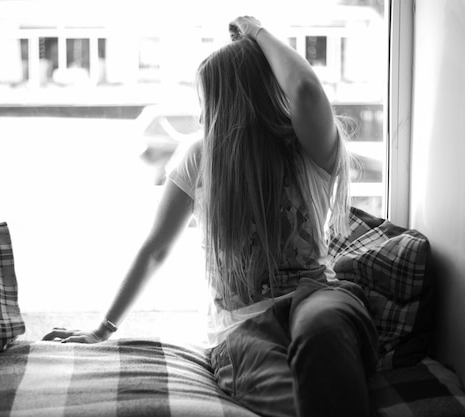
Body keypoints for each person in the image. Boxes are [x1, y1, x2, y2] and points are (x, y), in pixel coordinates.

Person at [44, 16, 379, 417]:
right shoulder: (200, 157)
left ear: (229, 101)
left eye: (205, 100)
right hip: (240, 329)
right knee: (293, 401)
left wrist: (256, 32)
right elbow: (155, 249)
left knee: (323, 332)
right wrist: (103, 328)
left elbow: (305, 88)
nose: (201, 114)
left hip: (317, 296)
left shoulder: (305, 147)